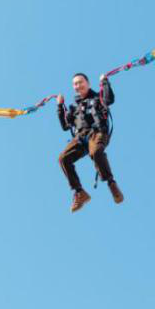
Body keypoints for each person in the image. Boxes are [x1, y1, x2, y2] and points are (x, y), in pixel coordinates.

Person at [57, 73, 124, 212]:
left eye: (80, 82)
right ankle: (80, 193)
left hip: (98, 133)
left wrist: (104, 82)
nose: (78, 86)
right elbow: (65, 126)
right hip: (81, 138)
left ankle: (111, 184)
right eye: (75, 84)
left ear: (88, 83)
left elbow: (109, 100)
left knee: (96, 152)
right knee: (63, 158)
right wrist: (60, 106)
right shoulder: (74, 108)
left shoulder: (98, 97)